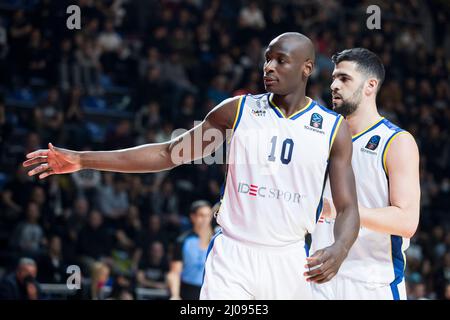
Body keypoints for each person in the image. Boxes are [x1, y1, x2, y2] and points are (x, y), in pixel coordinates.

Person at [23, 32, 360, 299]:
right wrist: (83, 159)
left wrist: (341, 247)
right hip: (234, 255)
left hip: (290, 259)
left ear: (307, 68)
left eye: (280, 61)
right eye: (267, 59)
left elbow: (347, 208)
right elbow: (167, 154)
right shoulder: (237, 111)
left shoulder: (332, 128)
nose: (268, 67)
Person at [311, 48, 420, 300]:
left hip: (371, 282)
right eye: (334, 78)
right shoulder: (319, 137)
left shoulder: (395, 141)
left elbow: (406, 221)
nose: (334, 85)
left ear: (370, 85)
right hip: (317, 277)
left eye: (344, 78)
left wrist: (341, 210)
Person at [167, 200, 213, 300]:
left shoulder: (217, 241)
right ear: (193, 217)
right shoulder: (182, 241)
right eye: (201, 215)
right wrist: (175, 295)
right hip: (187, 292)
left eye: (208, 215)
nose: (205, 219)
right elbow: (175, 272)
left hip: (211, 292)